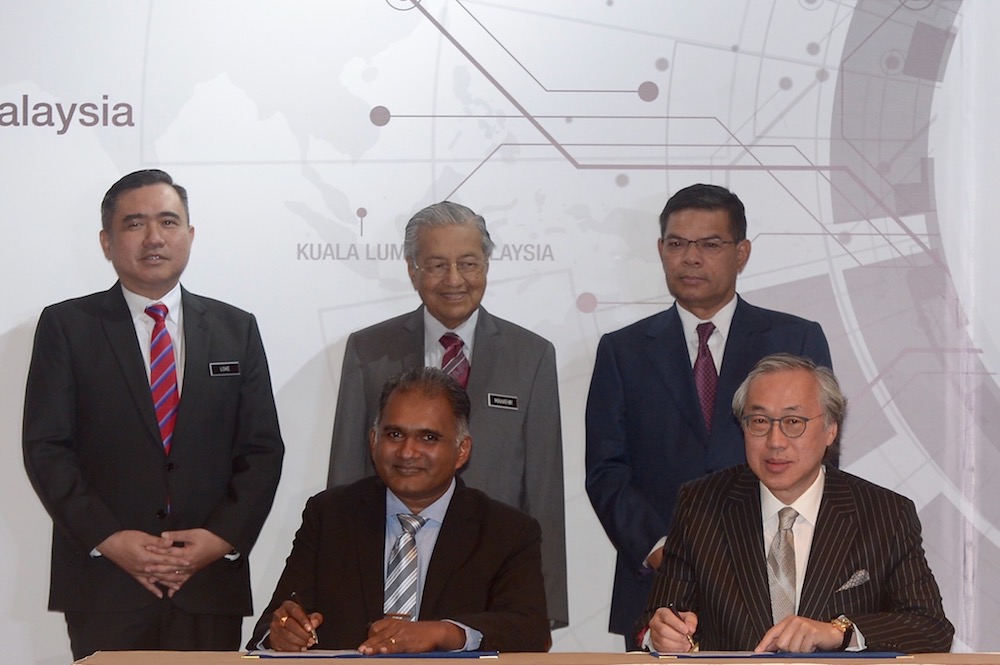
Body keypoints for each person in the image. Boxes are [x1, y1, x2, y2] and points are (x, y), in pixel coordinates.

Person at [22, 169, 285, 660]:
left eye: (168, 221)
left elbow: (263, 449)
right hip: (106, 585)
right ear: (106, 241)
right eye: (135, 223)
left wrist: (219, 539)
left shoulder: (236, 329)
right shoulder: (67, 326)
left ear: (190, 234)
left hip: (208, 586)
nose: (154, 237)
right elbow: (46, 448)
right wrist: (110, 539)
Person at [585, 183, 833, 640]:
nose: (690, 258)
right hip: (660, 595)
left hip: (776, 582)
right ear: (661, 250)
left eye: (710, 244)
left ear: (742, 253)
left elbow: (817, 457)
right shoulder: (622, 351)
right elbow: (606, 472)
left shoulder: (795, 340)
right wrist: (663, 551)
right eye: (677, 244)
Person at [327, 201, 567, 628]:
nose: (454, 280)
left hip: (492, 585)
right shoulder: (368, 351)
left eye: (468, 263)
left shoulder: (531, 356)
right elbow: (345, 480)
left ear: (487, 266)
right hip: (390, 579)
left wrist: (541, 608)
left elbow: (544, 494)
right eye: (436, 265)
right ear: (412, 269)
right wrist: (335, 590)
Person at [642, 353, 953, 654]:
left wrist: (839, 631)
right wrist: (663, 637)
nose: (776, 441)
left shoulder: (885, 514)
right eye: (760, 421)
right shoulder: (700, 506)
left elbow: (930, 627)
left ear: (831, 429)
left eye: (793, 421)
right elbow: (657, 621)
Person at [250, 367, 550, 653]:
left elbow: (530, 631)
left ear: (462, 450)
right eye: (394, 434)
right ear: (373, 440)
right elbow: (275, 622)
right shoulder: (330, 515)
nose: (407, 452)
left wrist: (443, 633)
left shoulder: (507, 530)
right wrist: (280, 634)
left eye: (428, 437)